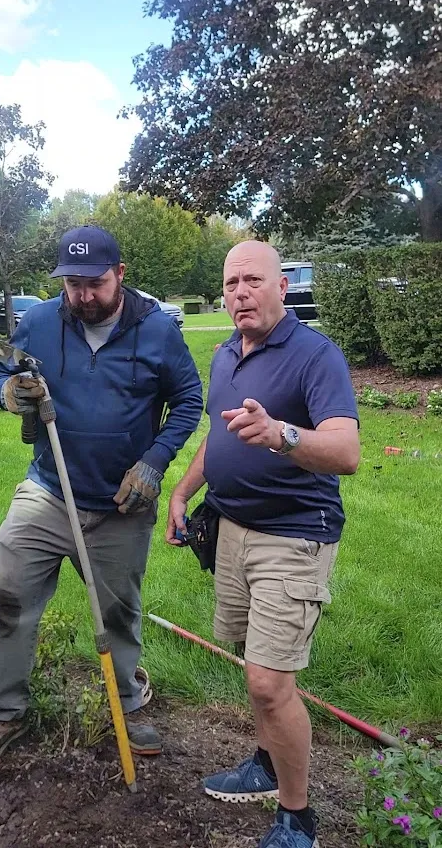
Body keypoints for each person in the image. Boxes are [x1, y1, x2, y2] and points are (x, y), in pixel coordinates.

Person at [0, 224, 203, 779]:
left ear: (120, 274)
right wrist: (7, 392)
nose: (84, 296)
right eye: (73, 284)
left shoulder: (157, 330)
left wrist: (155, 461)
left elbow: (189, 399)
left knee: (118, 611)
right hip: (49, 489)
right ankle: (3, 713)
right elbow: (3, 372)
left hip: (121, 503)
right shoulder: (40, 322)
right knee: (8, 593)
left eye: (95, 283)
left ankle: (127, 702)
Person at [167, 241, 359, 848]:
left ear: (283, 286)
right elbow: (219, 434)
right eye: (231, 283)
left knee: (269, 684)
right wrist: (182, 491)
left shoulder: (315, 356)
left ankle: (298, 818)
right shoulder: (227, 353)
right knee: (254, 660)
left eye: (253, 280)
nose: (240, 292)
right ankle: (267, 763)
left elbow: (346, 451)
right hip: (232, 529)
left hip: (293, 536)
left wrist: (281, 434)